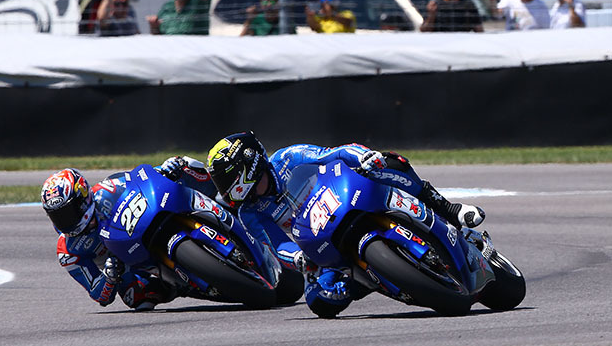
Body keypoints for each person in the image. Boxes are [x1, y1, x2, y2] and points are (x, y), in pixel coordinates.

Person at [205, 132, 486, 319]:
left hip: (351, 199)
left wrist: (362, 157)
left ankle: (449, 210)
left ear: (247, 164)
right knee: (319, 302)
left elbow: (333, 154)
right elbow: (276, 246)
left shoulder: (288, 158)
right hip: (323, 244)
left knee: (391, 162)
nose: (225, 188)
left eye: (225, 179)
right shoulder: (250, 213)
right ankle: (365, 279)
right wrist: (300, 259)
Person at [40, 159, 219, 311]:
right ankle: (179, 285)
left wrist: (164, 170)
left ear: (83, 197)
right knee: (134, 297)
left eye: (67, 213)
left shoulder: (108, 189)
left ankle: (222, 198)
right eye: (57, 216)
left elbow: (142, 179)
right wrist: (109, 278)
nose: (64, 221)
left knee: (184, 165)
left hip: (145, 223)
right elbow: (98, 293)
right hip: (128, 265)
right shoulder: (68, 250)